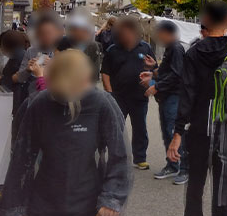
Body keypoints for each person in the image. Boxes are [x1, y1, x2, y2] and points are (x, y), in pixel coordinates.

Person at [0, 49, 131, 216]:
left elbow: (120, 153)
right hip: (43, 200)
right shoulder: (40, 103)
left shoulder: (101, 103)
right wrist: (18, 202)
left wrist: (112, 196)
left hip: (87, 200)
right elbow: (22, 155)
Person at [167, 1, 227, 216]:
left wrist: (177, 133)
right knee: (225, 186)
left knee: (195, 183)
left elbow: (186, 94)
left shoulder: (194, 53)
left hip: (200, 126)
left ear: (206, 21)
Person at [101, 16, 156, 169]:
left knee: (140, 128)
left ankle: (140, 158)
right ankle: (116, 158)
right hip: (118, 96)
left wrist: (151, 82)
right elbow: (105, 73)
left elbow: (155, 69)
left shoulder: (145, 48)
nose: (127, 36)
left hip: (139, 95)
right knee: (116, 127)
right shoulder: (113, 50)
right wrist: (109, 93)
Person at [144, 20, 188, 184]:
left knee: (175, 132)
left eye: (160, 34)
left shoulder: (176, 48)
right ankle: (172, 164)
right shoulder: (170, 48)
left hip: (174, 96)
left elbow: (177, 75)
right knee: (167, 131)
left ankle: (184, 168)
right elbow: (165, 71)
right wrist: (153, 70)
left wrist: (157, 87)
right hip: (166, 96)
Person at [13, 11, 64, 100]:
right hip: (32, 99)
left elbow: (69, 82)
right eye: (42, 33)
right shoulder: (31, 51)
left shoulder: (64, 52)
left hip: (55, 100)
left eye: (49, 33)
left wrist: (53, 65)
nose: (46, 37)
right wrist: (28, 70)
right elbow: (19, 79)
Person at [57, 11, 103, 82]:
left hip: (85, 85)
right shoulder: (63, 41)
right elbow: (56, 65)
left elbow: (94, 73)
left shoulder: (92, 46)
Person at [0, 30, 30, 114]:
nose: (0, 49)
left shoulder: (17, 57)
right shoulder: (23, 54)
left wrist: (1, 81)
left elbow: (12, 79)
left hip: (17, 101)